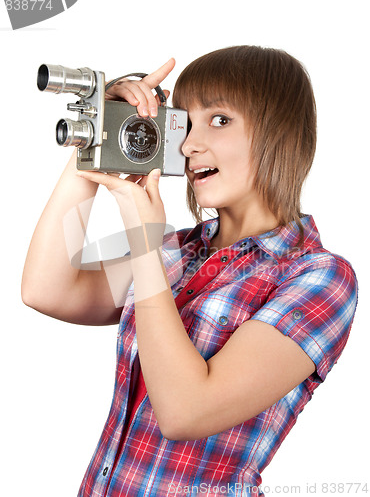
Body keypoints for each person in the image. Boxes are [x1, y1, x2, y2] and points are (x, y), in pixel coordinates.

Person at [22, 46, 358, 496]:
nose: (187, 145)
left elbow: (185, 411)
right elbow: (46, 288)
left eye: (219, 120)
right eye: (185, 122)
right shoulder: (180, 249)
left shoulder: (319, 278)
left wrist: (144, 242)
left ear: (280, 133)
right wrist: (99, 135)